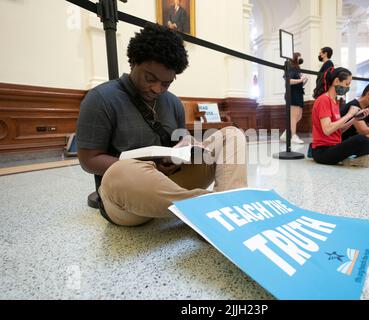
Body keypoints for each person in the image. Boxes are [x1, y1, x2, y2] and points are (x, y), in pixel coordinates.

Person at [76, 23, 247, 227]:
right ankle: (217, 209)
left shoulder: (173, 102)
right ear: (133, 62)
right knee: (118, 174)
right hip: (129, 197)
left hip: (171, 185)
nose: (157, 89)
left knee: (232, 135)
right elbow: (89, 160)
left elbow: (179, 142)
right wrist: (146, 168)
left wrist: (187, 143)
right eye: (150, 79)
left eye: (166, 83)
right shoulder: (101, 99)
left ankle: (223, 207)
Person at [311, 67, 369, 167]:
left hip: (335, 146)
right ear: (336, 81)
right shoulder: (324, 100)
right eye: (346, 84)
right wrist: (349, 114)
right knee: (361, 139)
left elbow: (338, 130)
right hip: (323, 151)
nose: (347, 88)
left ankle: (356, 159)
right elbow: (327, 130)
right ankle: (358, 159)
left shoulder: (335, 101)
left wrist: (355, 118)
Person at [280, 52, 309, 144]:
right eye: (299, 57)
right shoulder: (291, 67)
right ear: (295, 58)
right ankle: (293, 136)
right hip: (292, 94)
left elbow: (299, 83)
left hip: (298, 93)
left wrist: (304, 81)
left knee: (298, 116)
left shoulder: (297, 68)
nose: (301, 59)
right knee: (293, 116)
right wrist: (301, 79)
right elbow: (288, 81)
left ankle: (286, 133)